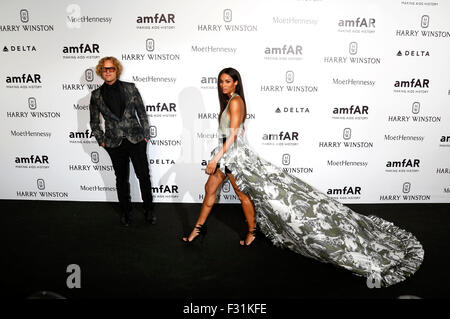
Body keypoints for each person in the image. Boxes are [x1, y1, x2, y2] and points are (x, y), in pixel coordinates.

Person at [183, 67, 424, 287]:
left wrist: (216, 159)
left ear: (236, 83)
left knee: (244, 196)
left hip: (234, 158)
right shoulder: (228, 102)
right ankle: (200, 229)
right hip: (226, 154)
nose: (222, 85)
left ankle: (251, 232)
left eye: (227, 81)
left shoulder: (236, 102)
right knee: (211, 191)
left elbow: (234, 135)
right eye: (220, 82)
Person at [89, 56, 155, 227]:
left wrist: (146, 135)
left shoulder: (130, 88)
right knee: (121, 179)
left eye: (111, 68)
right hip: (114, 143)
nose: (108, 71)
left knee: (143, 176)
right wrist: (101, 141)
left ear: (116, 70)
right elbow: (94, 122)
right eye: (105, 69)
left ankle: (149, 210)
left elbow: (141, 112)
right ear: (100, 72)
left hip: (136, 139)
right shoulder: (96, 96)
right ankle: (126, 212)